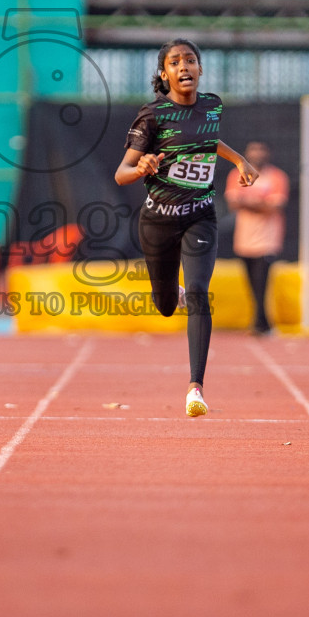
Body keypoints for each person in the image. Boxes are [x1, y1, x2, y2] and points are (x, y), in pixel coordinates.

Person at [114, 38, 259, 417]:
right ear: (164, 74)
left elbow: (208, 141)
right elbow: (121, 173)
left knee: (198, 292)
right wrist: (142, 167)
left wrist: (239, 160)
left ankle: (196, 387)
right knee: (165, 306)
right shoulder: (152, 116)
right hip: (159, 221)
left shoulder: (212, 105)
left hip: (200, 216)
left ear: (200, 68)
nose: (184, 67)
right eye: (175, 62)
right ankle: (169, 292)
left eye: (190, 60)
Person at [223, 140, 288, 336]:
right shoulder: (236, 174)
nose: (257, 154)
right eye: (253, 150)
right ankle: (260, 322)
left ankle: (262, 324)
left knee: (262, 283)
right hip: (244, 240)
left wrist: (248, 202)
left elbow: (275, 207)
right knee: (251, 284)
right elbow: (233, 203)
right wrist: (260, 204)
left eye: (261, 150)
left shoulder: (277, 177)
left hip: (267, 240)